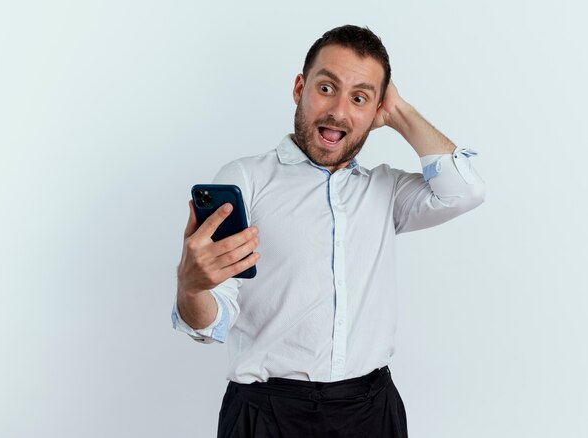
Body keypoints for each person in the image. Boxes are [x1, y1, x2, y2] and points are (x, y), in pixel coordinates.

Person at [172, 24, 485, 437]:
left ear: (376, 113)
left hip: (371, 413)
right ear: (300, 88)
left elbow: (464, 191)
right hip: (266, 415)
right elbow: (212, 322)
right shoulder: (246, 180)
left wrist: (399, 111)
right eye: (326, 88)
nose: (339, 111)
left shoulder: (385, 189)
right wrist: (191, 289)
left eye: (359, 98)